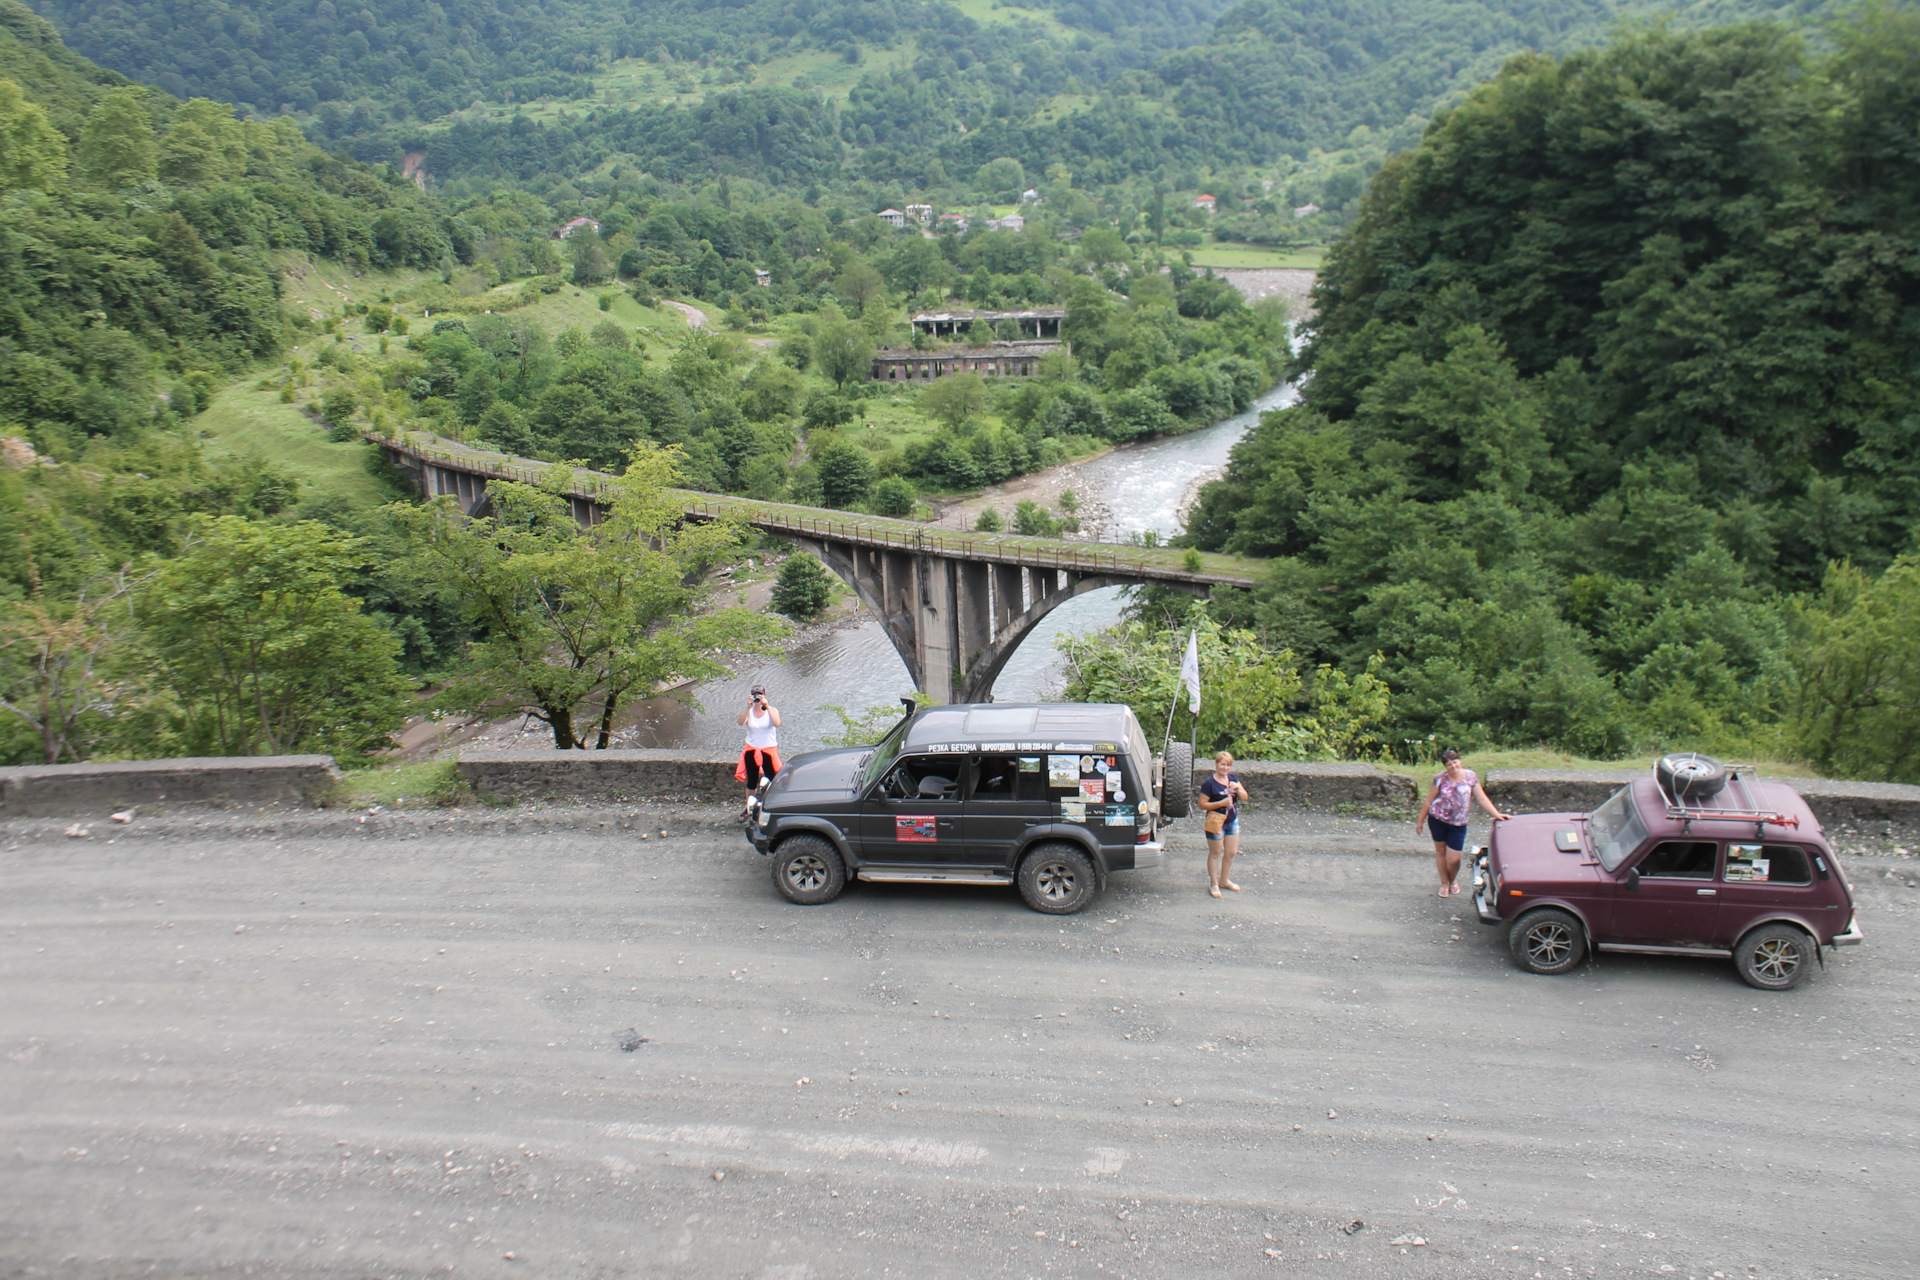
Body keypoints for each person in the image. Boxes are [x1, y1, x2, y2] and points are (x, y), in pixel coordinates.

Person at [1416, 748, 1509, 896]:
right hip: (1437, 820)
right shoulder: (1440, 778)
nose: (1453, 766)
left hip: (1458, 824)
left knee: (1454, 859)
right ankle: (1444, 883)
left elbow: (1481, 798)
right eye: (1449, 764)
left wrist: (1496, 814)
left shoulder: (1470, 777)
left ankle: (1452, 879)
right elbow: (1429, 800)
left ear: (1460, 761)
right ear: (1445, 767)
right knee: (1440, 852)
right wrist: (1420, 821)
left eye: (1455, 762)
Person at [1197, 751, 1250, 898]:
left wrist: (1238, 789)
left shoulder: (1232, 778)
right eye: (1222, 764)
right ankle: (1214, 883)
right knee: (1215, 853)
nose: (1225, 768)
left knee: (1231, 852)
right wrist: (1221, 803)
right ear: (1216, 765)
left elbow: (1245, 797)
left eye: (1228, 765)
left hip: (1231, 820)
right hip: (1216, 821)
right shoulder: (1209, 784)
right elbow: (1202, 804)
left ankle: (1224, 880)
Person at [736, 685, 781, 817]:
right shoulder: (749, 712)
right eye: (755, 695)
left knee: (771, 779)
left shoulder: (771, 710)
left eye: (760, 695)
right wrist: (748, 707)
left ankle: (770, 807)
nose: (758, 698)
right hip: (752, 749)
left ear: (764, 696)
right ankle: (748, 808)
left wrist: (766, 706)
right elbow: (740, 722)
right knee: (752, 780)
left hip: (768, 750)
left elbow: (777, 722)